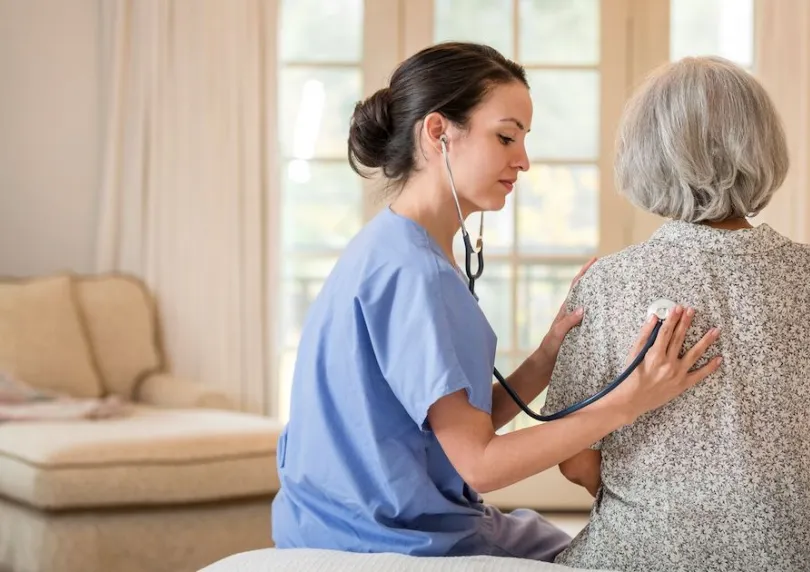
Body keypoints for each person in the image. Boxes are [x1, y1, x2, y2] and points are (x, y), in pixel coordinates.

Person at [270, 42, 723, 562]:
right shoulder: (416, 274)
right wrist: (627, 403)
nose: (523, 160)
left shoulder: (391, 246)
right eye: (506, 136)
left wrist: (547, 354)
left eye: (524, 140)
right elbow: (480, 463)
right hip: (397, 535)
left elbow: (450, 424)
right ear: (438, 133)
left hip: (329, 519)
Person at [541, 56, 810, 572]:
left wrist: (669, 506)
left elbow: (574, 460)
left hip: (644, 557)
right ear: (764, 148)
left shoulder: (608, 284)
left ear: (644, 155)